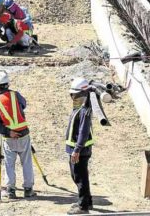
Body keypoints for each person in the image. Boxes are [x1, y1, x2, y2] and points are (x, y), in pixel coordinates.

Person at [0, 70, 34, 199]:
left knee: (9, 163)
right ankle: (28, 189)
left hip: (9, 137)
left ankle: (10, 190)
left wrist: (8, 131)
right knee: (26, 162)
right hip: (24, 134)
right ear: (7, 84)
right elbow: (23, 105)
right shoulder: (16, 95)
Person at [66, 78, 94, 214]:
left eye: (75, 95)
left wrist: (76, 150)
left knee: (79, 177)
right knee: (82, 175)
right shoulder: (81, 108)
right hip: (79, 150)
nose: (73, 97)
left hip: (79, 151)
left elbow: (83, 132)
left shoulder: (84, 111)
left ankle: (83, 207)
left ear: (83, 94)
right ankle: (87, 201)